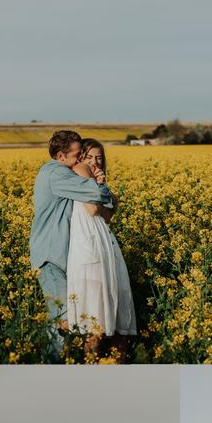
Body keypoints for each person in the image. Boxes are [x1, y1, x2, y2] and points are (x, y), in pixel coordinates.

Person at [29, 130, 116, 357]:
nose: (80, 159)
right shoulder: (56, 173)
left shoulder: (58, 170)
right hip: (50, 255)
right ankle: (55, 366)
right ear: (60, 155)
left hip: (62, 254)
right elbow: (93, 194)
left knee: (68, 318)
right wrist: (102, 185)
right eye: (77, 155)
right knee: (64, 319)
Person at [66, 138, 137, 359]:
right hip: (89, 249)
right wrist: (99, 187)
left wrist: (107, 195)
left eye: (99, 157)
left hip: (105, 245)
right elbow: (93, 209)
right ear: (80, 158)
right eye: (89, 157)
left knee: (116, 319)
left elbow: (104, 217)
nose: (95, 161)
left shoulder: (94, 181)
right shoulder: (79, 175)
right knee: (93, 319)